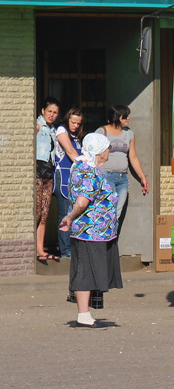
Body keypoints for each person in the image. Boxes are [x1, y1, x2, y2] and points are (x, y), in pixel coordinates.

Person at [59, 132, 121, 327]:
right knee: (85, 271)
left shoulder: (84, 166)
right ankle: (83, 315)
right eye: (106, 149)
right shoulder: (88, 170)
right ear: (99, 151)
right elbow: (82, 201)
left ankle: (84, 313)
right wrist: (70, 217)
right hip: (89, 231)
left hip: (94, 232)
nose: (108, 153)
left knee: (86, 270)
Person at [96, 104, 150, 233]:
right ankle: (102, 240)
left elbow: (133, 157)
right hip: (106, 176)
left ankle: (110, 242)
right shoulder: (101, 132)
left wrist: (143, 177)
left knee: (117, 212)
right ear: (118, 117)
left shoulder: (129, 134)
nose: (128, 119)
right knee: (107, 210)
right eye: (125, 116)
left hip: (122, 179)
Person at [53, 108, 85, 260]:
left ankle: (73, 248)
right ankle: (65, 250)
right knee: (64, 213)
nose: (76, 126)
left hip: (74, 180)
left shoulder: (77, 137)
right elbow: (71, 151)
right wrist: (86, 165)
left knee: (74, 213)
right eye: (73, 122)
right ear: (67, 120)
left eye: (78, 123)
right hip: (63, 176)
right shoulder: (61, 130)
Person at [34, 98, 60, 263]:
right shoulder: (37, 126)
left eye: (55, 112)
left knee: (44, 213)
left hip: (48, 173)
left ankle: (40, 249)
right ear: (43, 111)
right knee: (35, 211)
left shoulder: (54, 131)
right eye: (49, 111)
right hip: (36, 171)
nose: (52, 115)